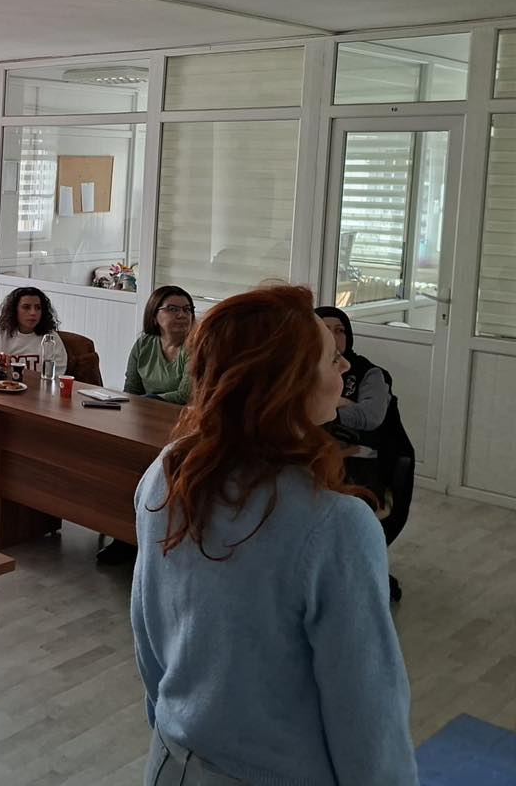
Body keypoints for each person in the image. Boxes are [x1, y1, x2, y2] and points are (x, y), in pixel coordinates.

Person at [131, 285, 418, 785]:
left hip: (172, 760)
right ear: (290, 383)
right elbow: (368, 714)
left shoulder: (170, 470)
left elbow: (146, 627)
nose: (344, 368)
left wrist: (173, 724)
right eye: (331, 360)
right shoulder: (338, 525)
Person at [315, 306, 417, 557]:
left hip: (360, 462)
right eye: (325, 330)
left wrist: (329, 410)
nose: (333, 337)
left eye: (340, 331)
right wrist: (342, 403)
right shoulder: (300, 369)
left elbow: (370, 416)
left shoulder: (368, 373)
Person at [0, 286, 67, 376]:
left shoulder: (50, 338)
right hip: (6, 386)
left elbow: (59, 371)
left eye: (38, 308)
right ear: (14, 310)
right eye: (26, 307)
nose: (33, 313)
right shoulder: (2, 334)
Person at [124, 285, 195, 404]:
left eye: (187, 309)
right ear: (154, 316)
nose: (182, 315)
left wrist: (146, 400)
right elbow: (131, 389)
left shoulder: (196, 347)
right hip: (145, 410)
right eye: (173, 309)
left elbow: (185, 396)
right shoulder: (143, 344)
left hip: (182, 413)